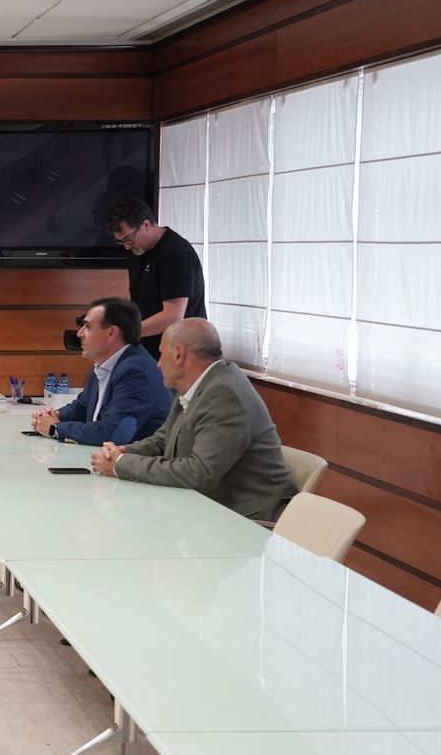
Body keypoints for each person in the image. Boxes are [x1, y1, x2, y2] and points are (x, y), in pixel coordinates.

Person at [91, 319, 296, 521]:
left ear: (179, 354)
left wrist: (121, 464)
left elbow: (199, 473)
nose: (158, 364)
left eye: (161, 354)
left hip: (246, 522)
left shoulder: (223, 393)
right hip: (207, 512)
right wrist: (122, 452)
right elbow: (163, 440)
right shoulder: (198, 384)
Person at [32, 297, 171, 446]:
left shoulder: (135, 371)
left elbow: (112, 432)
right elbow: (82, 407)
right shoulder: (105, 364)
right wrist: (54, 416)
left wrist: (55, 428)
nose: (79, 333)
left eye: (88, 326)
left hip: (136, 463)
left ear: (111, 332)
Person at [104, 197, 206, 358]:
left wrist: (126, 334)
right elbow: (143, 300)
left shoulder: (175, 253)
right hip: (151, 347)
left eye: (128, 239)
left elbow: (172, 316)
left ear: (146, 225)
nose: (126, 246)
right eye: (120, 242)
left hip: (183, 352)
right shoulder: (137, 250)